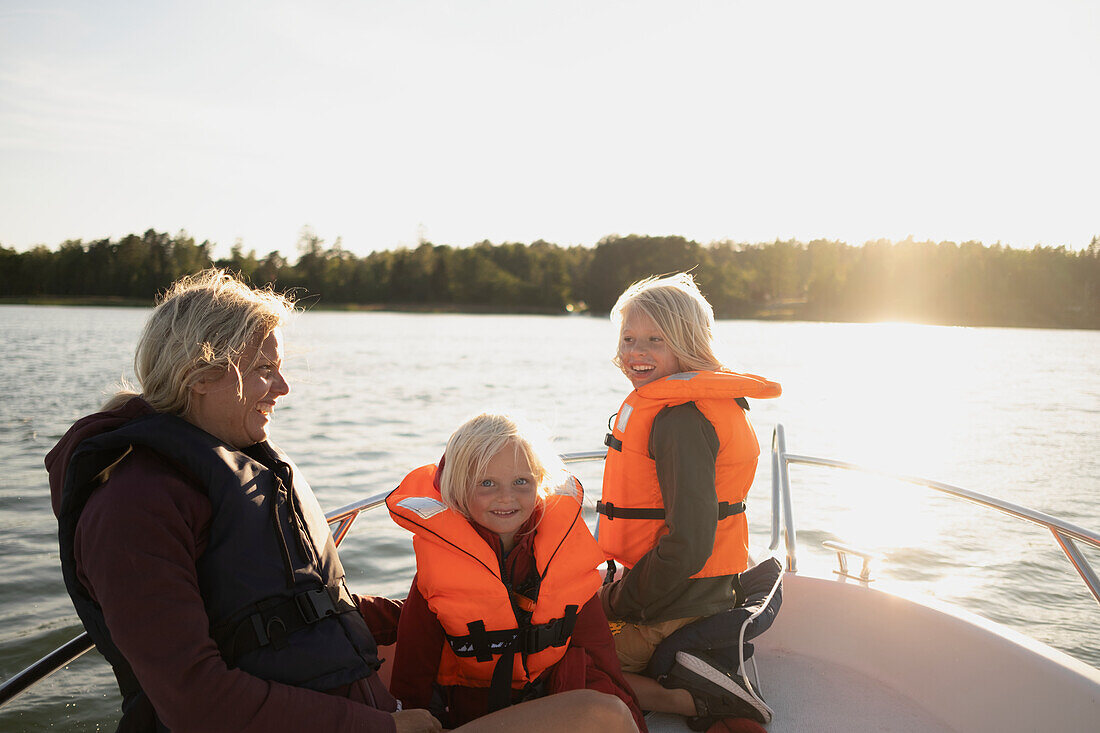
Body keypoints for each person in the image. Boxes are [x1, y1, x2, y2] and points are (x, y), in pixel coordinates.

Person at [48, 269, 636, 733]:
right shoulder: (131, 508)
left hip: (359, 706)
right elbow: (196, 701)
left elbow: (298, 607)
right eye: (263, 371)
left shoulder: (238, 466)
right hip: (353, 722)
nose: (283, 388)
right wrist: (380, 726)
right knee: (600, 719)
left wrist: (441, 608)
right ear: (202, 375)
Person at [596, 273, 782, 729]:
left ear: (686, 341)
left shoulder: (680, 420)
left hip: (679, 600)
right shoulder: (697, 404)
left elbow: (690, 544)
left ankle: (696, 699)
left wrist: (618, 602)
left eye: (654, 340)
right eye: (628, 339)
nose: (636, 353)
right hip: (695, 588)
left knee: (565, 664)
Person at [387, 414, 645, 732]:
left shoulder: (563, 558)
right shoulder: (435, 573)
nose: (506, 497)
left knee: (611, 710)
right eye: (486, 483)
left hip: (555, 700)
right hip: (477, 716)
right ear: (457, 487)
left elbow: (600, 654)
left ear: (540, 482)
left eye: (521, 482)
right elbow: (412, 675)